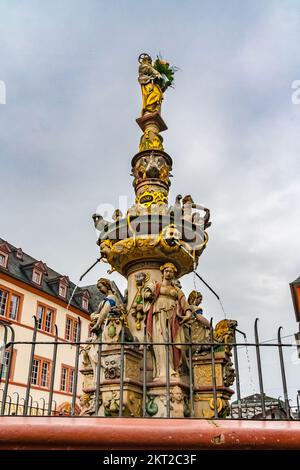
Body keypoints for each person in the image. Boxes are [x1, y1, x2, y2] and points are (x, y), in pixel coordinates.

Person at [146, 262, 192, 380]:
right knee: (160, 340)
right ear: (162, 273)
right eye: (166, 271)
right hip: (158, 313)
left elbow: (184, 303)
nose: (169, 273)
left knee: (170, 341)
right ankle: (161, 371)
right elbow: (146, 293)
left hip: (172, 317)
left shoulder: (176, 289)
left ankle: (171, 368)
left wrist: (187, 314)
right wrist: (147, 294)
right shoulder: (156, 285)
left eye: (171, 272)